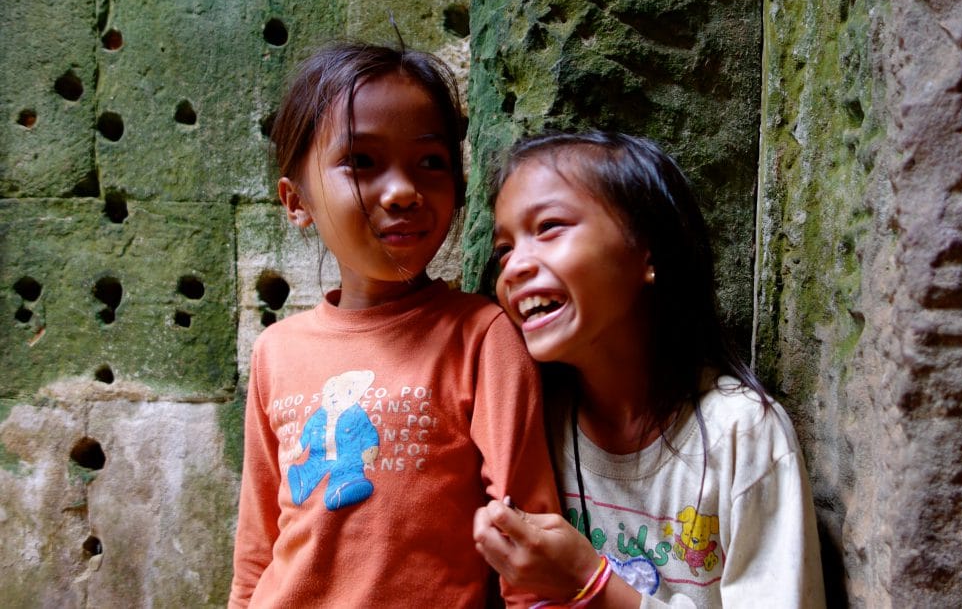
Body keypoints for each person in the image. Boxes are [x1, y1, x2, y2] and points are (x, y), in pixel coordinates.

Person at [229, 40, 559, 608]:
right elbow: (258, 548)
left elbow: (527, 539)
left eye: (431, 163)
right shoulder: (276, 352)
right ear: (295, 201)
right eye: (361, 161)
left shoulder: (480, 338)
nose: (404, 190)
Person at [473, 131, 825, 607]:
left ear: (649, 252)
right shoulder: (532, 424)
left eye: (550, 227)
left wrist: (590, 582)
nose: (513, 267)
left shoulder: (739, 433)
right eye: (504, 249)